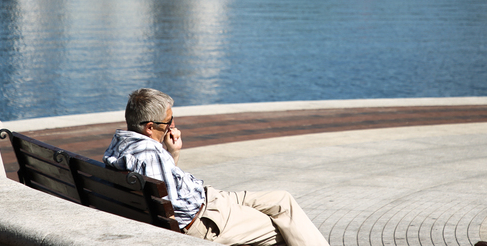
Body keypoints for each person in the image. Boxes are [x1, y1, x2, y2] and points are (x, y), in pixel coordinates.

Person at [103, 88, 330, 246]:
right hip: (206, 221)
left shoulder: (120, 144)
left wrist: (173, 153)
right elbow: (178, 213)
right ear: (150, 127)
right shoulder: (151, 154)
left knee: (283, 200)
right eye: (168, 122)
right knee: (284, 227)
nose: (173, 125)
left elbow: (163, 192)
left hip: (208, 198)